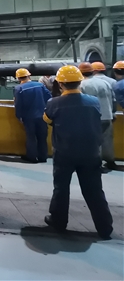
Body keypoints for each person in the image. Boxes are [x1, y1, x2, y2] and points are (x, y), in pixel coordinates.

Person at [43, 65, 113, 239]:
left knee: (61, 188)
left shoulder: (54, 103)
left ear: (60, 84)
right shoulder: (93, 101)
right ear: (80, 82)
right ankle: (105, 227)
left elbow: (47, 120)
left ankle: (58, 222)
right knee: (94, 190)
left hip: (64, 153)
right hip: (90, 153)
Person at [79, 62, 117, 172]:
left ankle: (97, 165)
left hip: (94, 117)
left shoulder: (83, 84)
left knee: (94, 142)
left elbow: (83, 103)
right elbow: (113, 99)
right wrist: (112, 113)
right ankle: (110, 162)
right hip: (107, 115)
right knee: (107, 140)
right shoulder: (104, 83)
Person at [13, 68, 52, 163]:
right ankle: (43, 157)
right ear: (29, 76)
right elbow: (49, 98)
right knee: (42, 137)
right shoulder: (40, 85)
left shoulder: (19, 88)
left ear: (18, 78)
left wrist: (19, 116)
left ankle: (32, 157)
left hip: (28, 117)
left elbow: (18, 104)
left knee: (31, 137)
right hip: (42, 116)